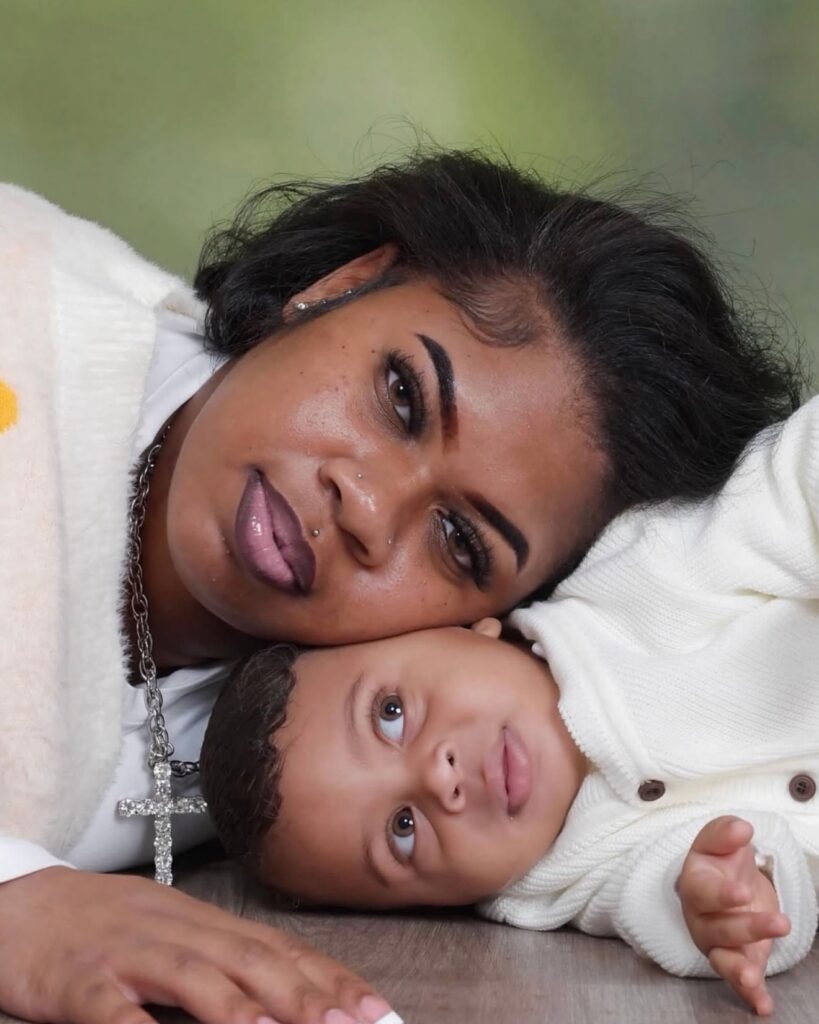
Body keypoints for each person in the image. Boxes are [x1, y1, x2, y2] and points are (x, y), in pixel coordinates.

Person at [0, 150, 803, 1024]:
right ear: (339, 286)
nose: (368, 508)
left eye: (459, 541)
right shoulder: (29, 310)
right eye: (401, 396)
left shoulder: (328, 745)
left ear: (492, 619)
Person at [201, 394, 819, 1018]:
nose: (438, 778)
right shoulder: (561, 887)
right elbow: (689, 905)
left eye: (391, 714)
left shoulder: (636, 574)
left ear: (463, 627)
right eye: (403, 831)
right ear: (438, 904)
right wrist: (731, 904)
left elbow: (790, 481)